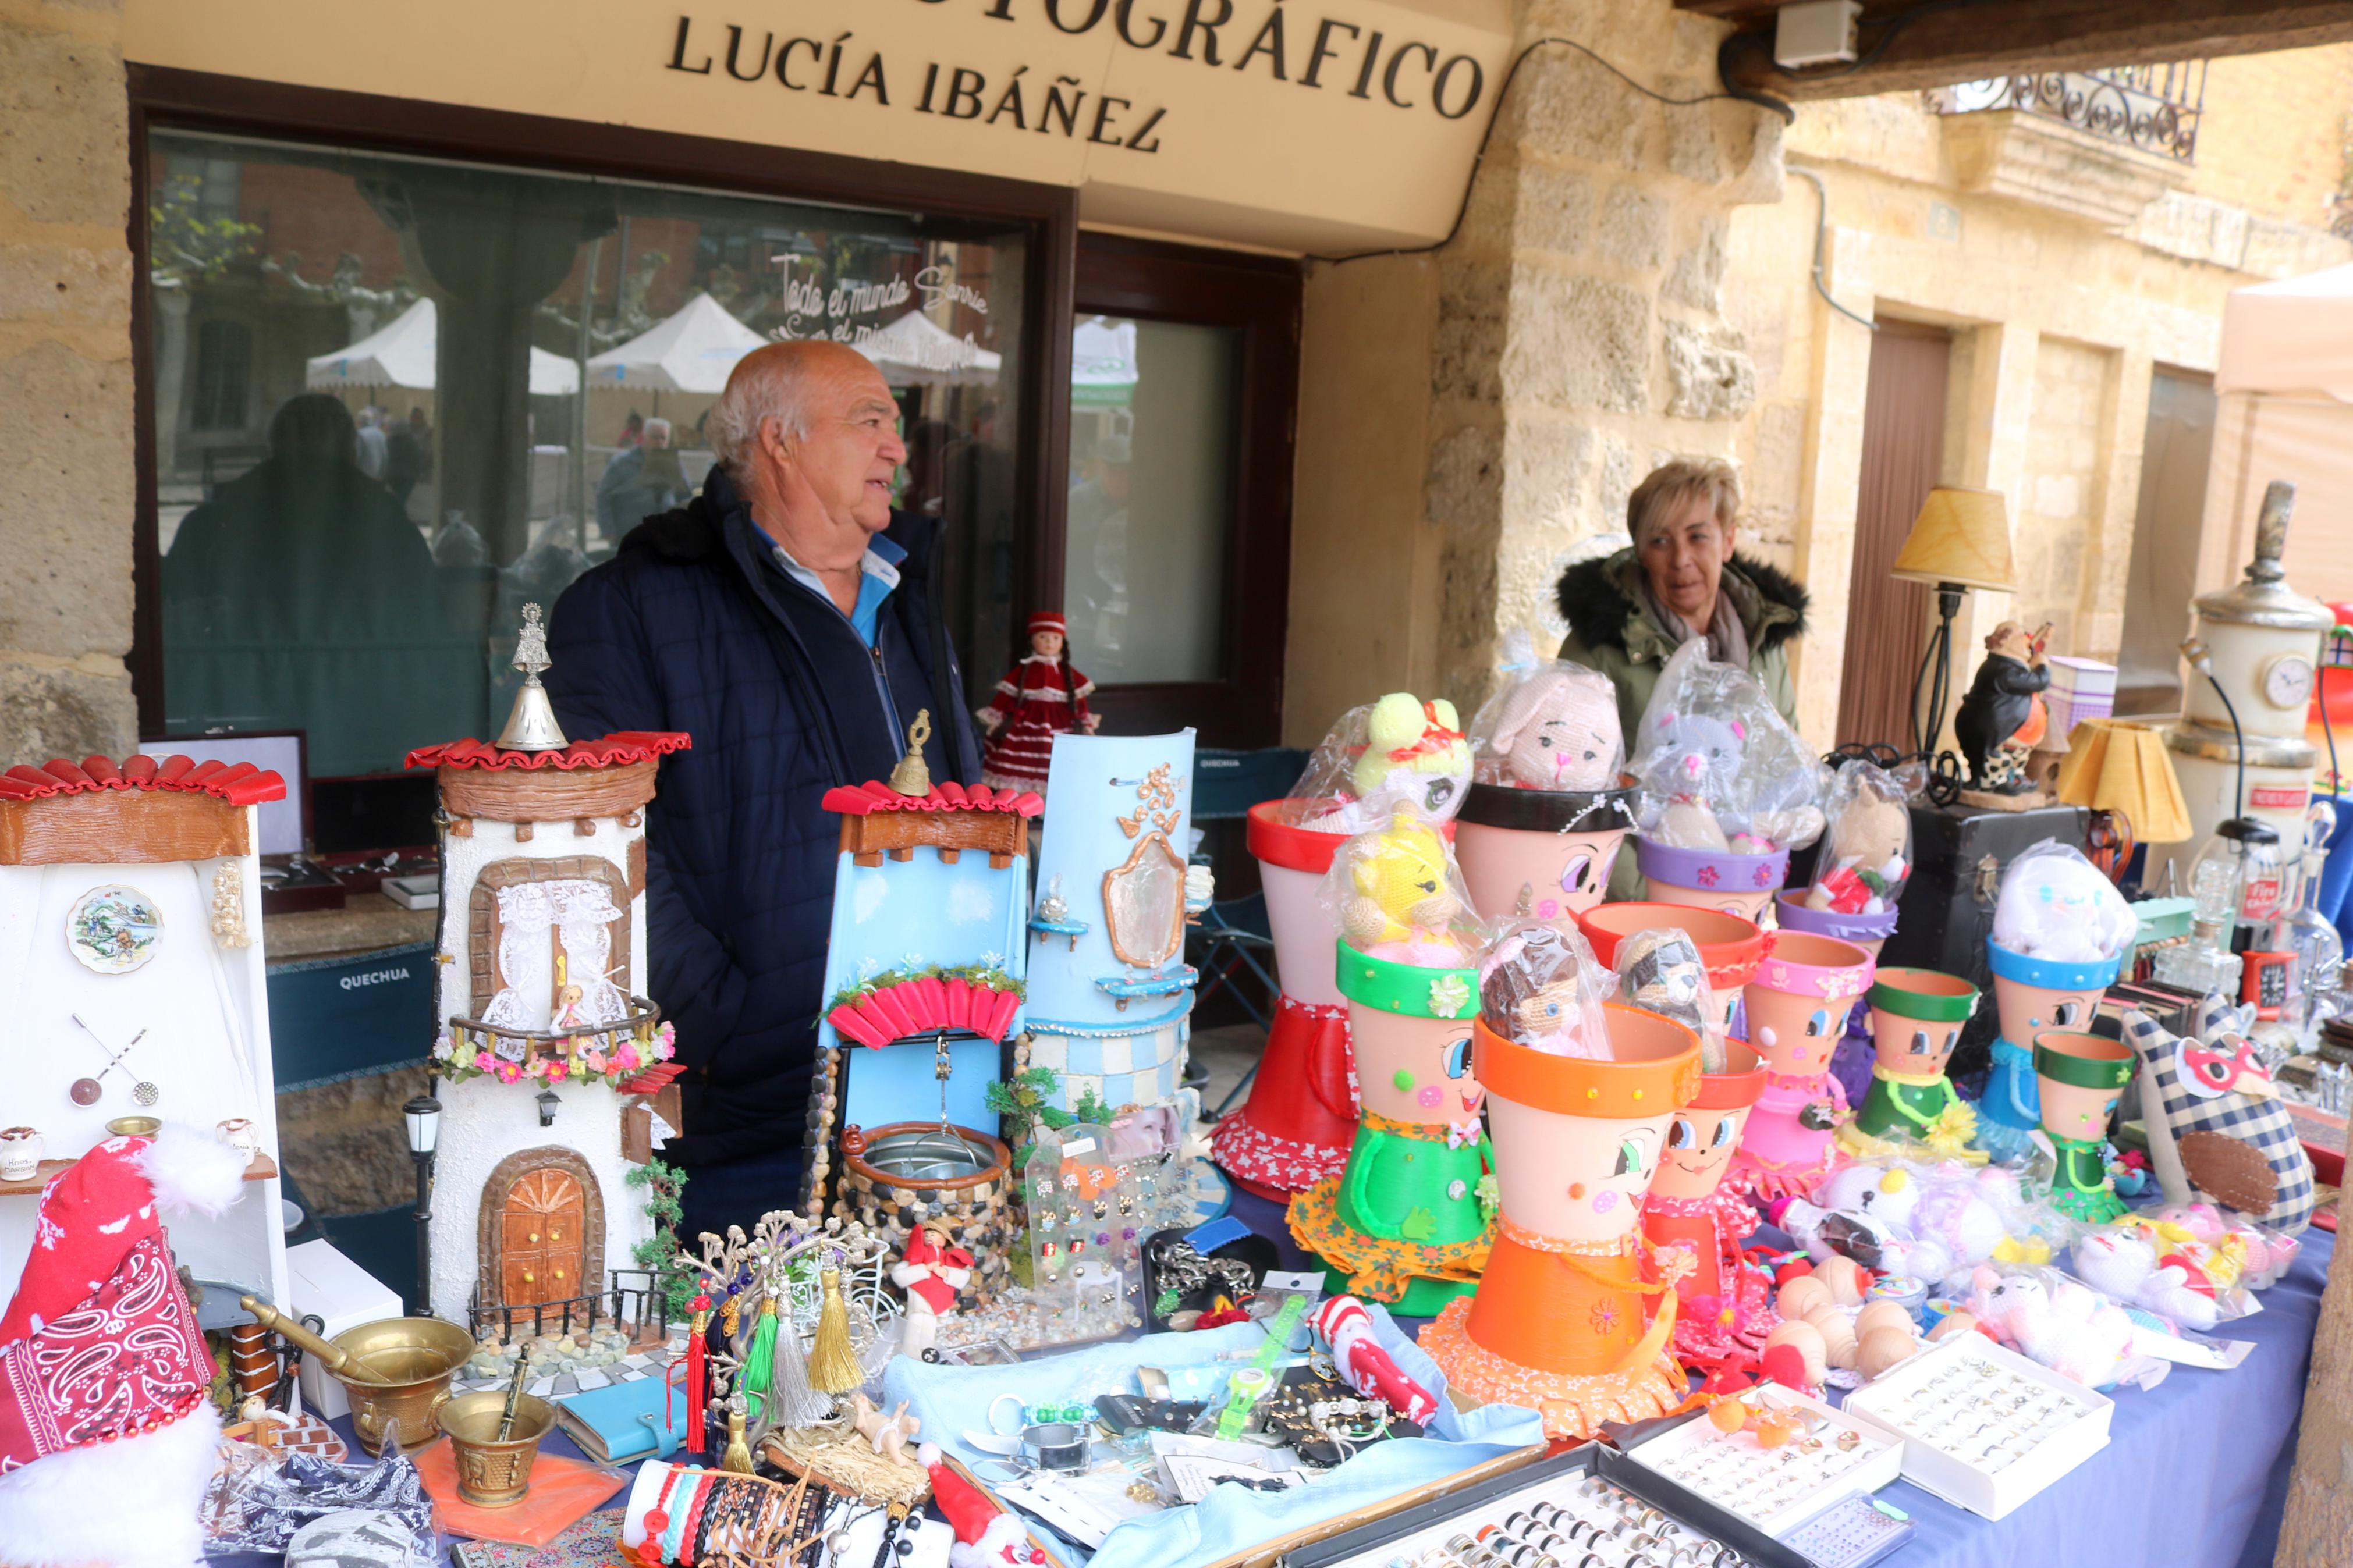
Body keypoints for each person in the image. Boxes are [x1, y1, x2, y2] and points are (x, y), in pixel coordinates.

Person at [545, 340, 982, 1246]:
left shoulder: (907, 596)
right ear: (779, 442)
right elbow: (596, 845)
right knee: (747, 1376)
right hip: (747, 1120)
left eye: (894, 427)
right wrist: (727, 1023)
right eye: (869, 422)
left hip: (931, 1087)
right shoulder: (630, 608)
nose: (896, 450)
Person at [161, 392, 465, 774]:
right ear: (349, 448)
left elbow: (178, 615)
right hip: (364, 732)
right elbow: (426, 619)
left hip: (243, 724)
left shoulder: (214, 520)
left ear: (273, 446)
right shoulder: (385, 520)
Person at [1553, 457, 1808, 741]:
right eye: (1660, 541)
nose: (1681, 560)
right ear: (1641, 553)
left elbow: (1790, 757)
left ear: (1728, 542)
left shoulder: (1764, 637)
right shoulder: (1595, 650)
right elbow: (1565, 762)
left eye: (1698, 537)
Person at [594, 415, 687, 545]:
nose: (660, 442)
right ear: (644, 437)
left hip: (663, 535)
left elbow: (685, 495)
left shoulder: (674, 464)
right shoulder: (622, 463)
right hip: (628, 533)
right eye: (655, 437)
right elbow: (603, 496)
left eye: (663, 438)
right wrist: (608, 530)